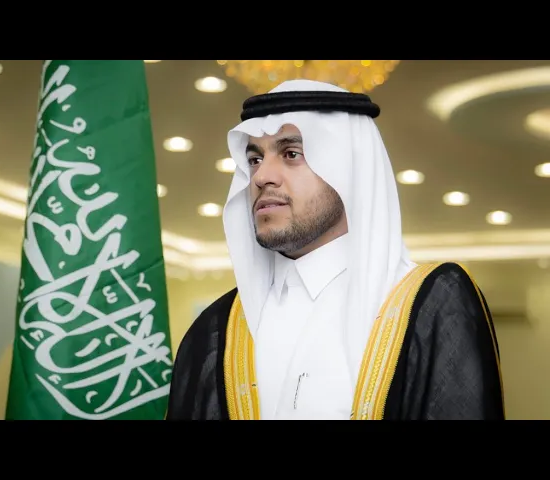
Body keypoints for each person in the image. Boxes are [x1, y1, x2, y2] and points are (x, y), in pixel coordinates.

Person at [165, 79, 505, 420]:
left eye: (291, 154)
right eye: (254, 159)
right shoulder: (216, 330)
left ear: (346, 168)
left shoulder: (428, 305)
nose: (261, 176)